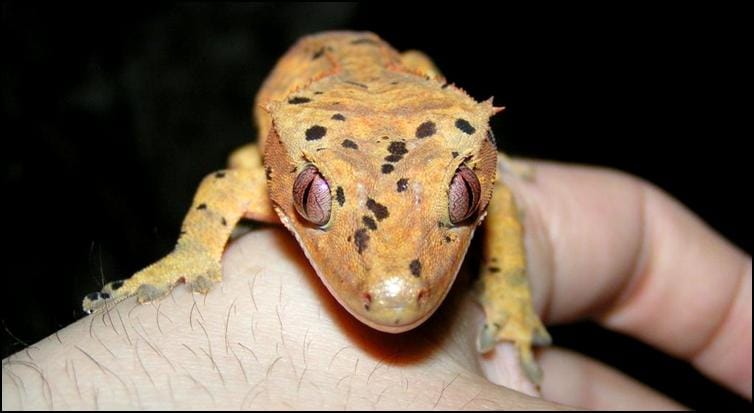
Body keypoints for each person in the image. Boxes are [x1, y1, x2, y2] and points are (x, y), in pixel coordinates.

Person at [2, 161, 750, 409]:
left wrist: (509, 293)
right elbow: (229, 181)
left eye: (462, 198)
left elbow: (508, 202)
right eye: (316, 202)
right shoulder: (269, 170)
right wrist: (196, 253)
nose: (395, 288)